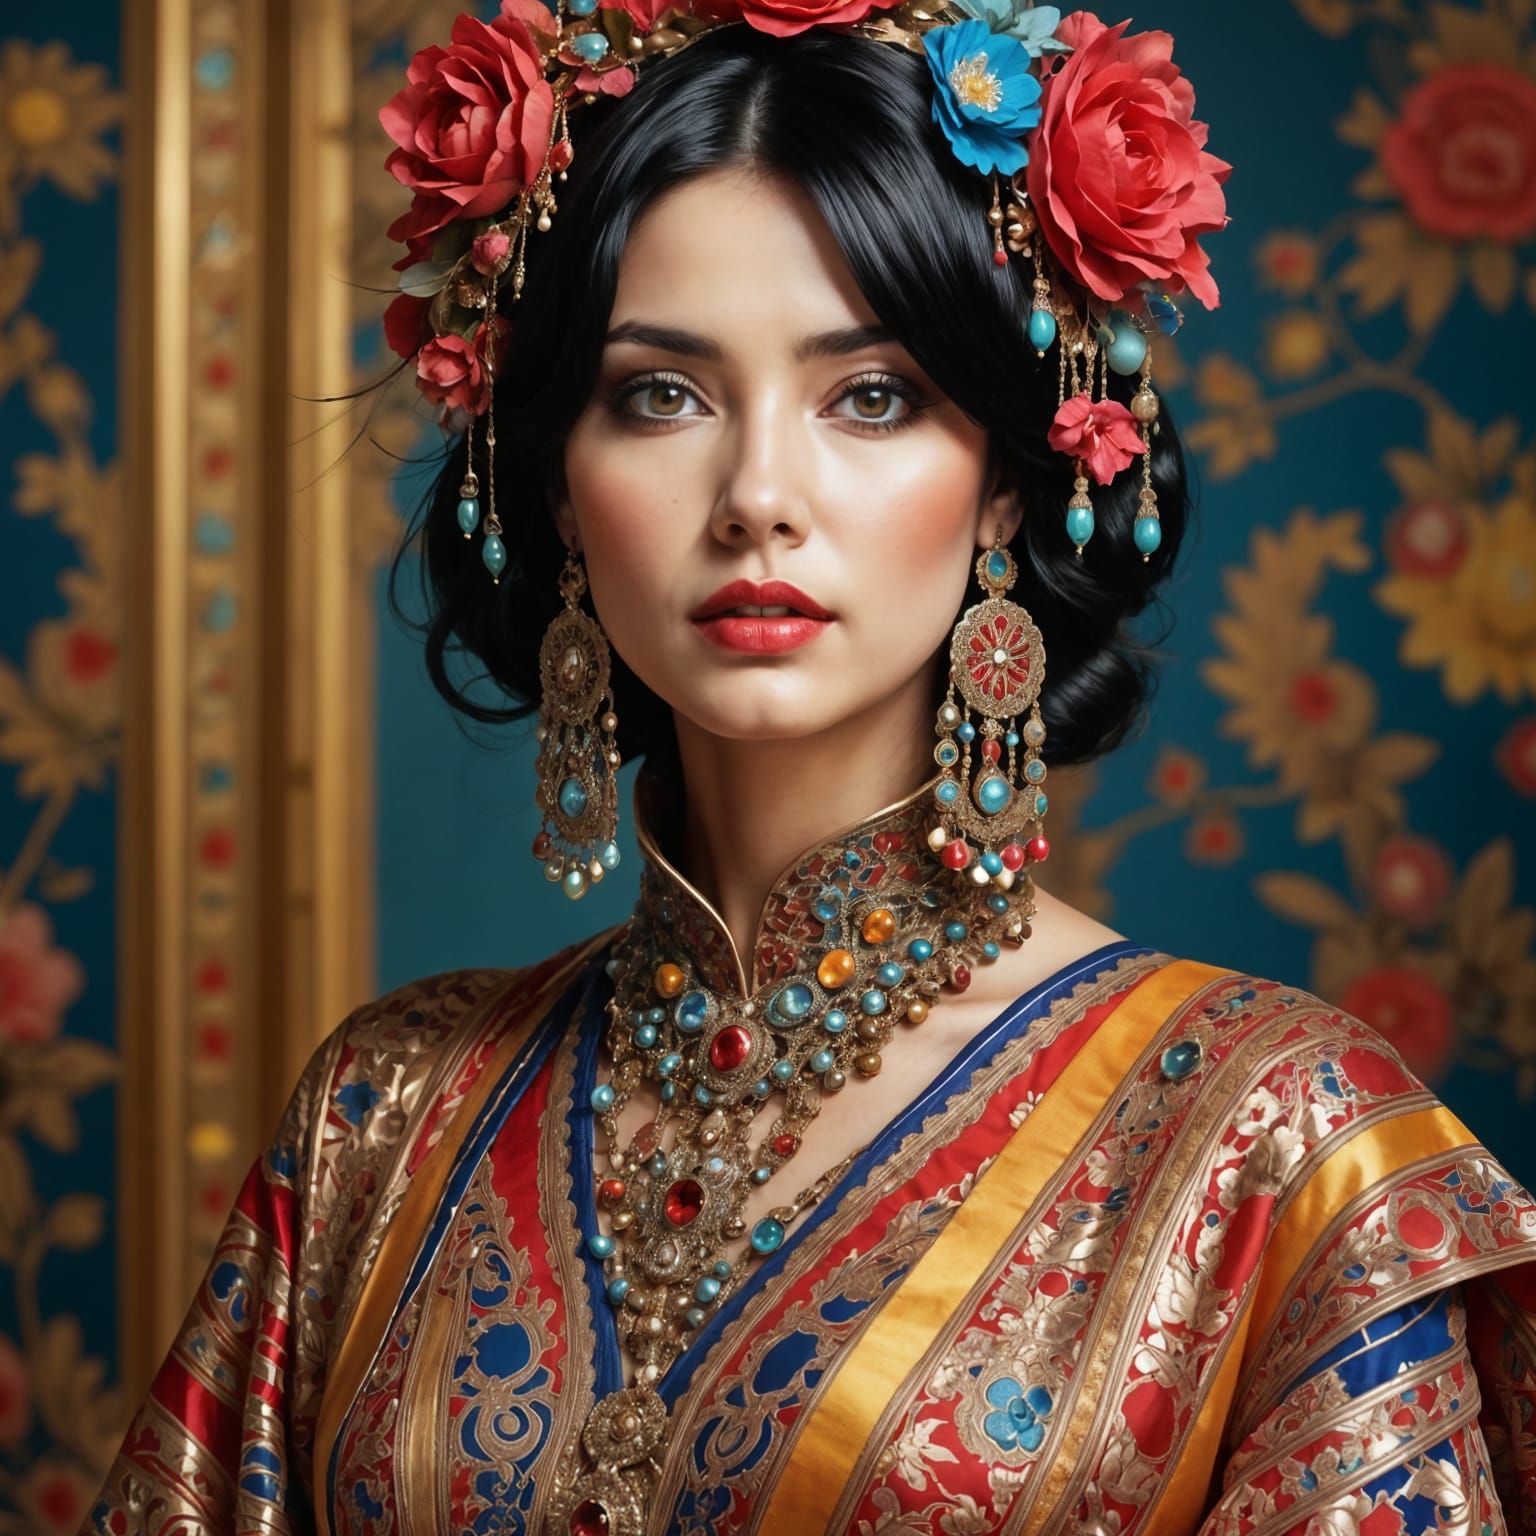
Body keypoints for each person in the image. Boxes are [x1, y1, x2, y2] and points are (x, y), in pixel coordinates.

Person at [89, 6, 1536, 1535]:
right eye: (662, 394)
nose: (757, 495)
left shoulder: (1281, 1149)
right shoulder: (379, 1121)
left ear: (1002, 484)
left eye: (872, 395)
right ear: (559, 490)